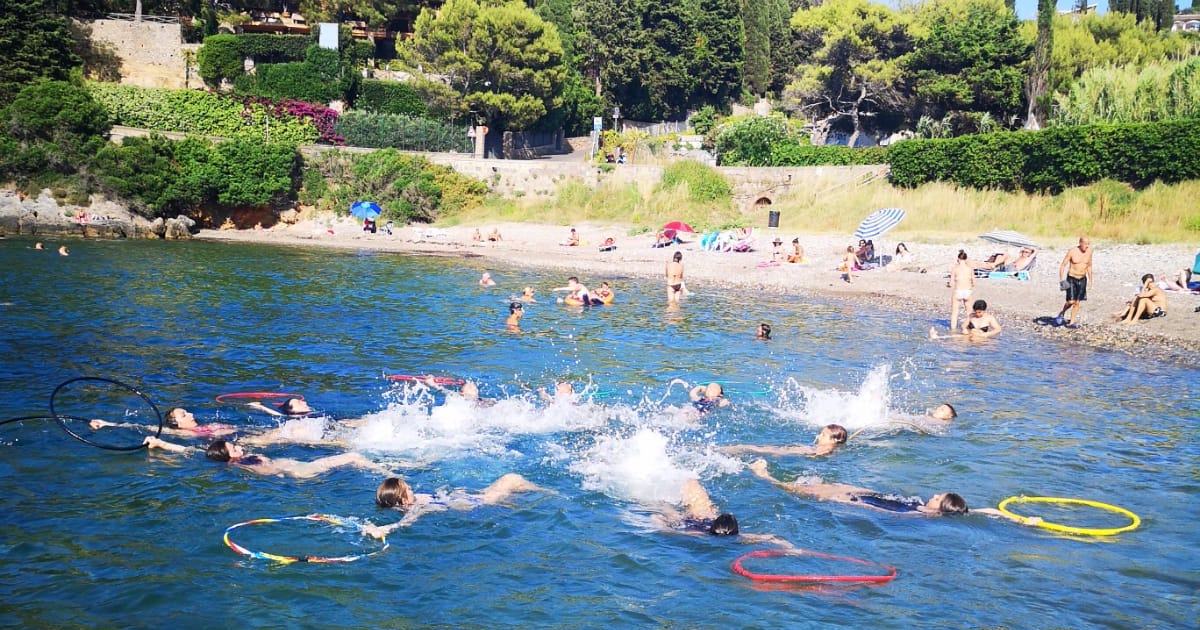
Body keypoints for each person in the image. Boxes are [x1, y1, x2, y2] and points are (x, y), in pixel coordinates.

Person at [747, 459, 1041, 524]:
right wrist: (1020, 518)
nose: (935, 493)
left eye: (938, 496)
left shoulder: (920, 515)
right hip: (866, 493)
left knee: (803, 491)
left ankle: (766, 477)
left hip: (858, 501)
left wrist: (854, 503)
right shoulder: (927, 510)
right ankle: (770, 477)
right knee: (812, 486)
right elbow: (980, 511)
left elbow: (879, 511)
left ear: (940, 507)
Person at [361, 474, 542, 538]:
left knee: (513, 484)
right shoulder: (416, 508)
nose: (410, 486)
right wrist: (386, 529)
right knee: (512, 479)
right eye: (406, 488)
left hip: (471, 498)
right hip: (476, 505)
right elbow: (407, 521)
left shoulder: (416, 500)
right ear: (403, 501)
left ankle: (540, 494)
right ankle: (548, 493)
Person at [142, 437, 389, 479]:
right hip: (301, 470)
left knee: (354, 458)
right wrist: (276, 467)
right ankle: (386, 473)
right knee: (354, 456)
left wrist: (161, 443)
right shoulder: (246, 465)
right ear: (229, 457)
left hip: (299, 469)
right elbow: (270, 473)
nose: (238, 446)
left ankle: (384, 470)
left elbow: (188, 451)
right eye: (233, 447)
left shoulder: (243, 459)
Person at [89, 406, 238, 439]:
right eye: (184, 414)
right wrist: (106, 423)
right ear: (177, 424)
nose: (191, 414)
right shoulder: (180, 432)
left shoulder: (207, 425)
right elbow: (140, 426)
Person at [721, 424, 848, 458]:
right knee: (761, 449)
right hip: (791, 451)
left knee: (756, 449)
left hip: (790, 453)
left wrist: (813, 456)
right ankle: (738, 448)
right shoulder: (831, 448)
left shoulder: (826, 449)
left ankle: (736, 448)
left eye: (823, 435)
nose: (819, 436)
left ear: (833, 440)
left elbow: (817, 455)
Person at [1056, 236, 1093, 327]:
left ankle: (1071, 322)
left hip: (1082, 278)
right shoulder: (1072, 251)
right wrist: (1061, 279)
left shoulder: (1090, 251)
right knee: (1071, 301)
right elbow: (1063, 265)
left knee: (1077, 302)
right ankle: (1062, 312)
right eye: (1085, 244)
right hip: (1072, 278)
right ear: (1080, 243)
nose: (1087, 246)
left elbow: (1089, 265)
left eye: (1088, 244)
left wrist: (1091, 279)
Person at [930, 300, 1002, 340]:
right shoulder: (971, 315)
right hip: (968, 336)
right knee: (954, 339)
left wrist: (986, 334)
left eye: (979, 312)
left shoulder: (989, 318)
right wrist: (964, 329)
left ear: (984, 310)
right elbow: (963, 325)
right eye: (976, 312)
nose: (977, 314)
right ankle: (937, 337)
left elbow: (998, 329)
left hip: (980, 338)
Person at [948, 250, 975, 333]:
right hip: (967, 291)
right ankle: (970, 329)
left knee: (955, 312)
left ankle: (953, 330)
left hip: (958, 291)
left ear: (958, 259)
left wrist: (948, 285)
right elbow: (974, 283)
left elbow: (951, 283)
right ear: (966, 259)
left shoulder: (955, 269)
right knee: (969, 312)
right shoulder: (970, 269)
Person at [246, 397, 313, 418]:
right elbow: (279, 415)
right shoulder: (295, 417)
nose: (305, 403)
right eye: (299, 403)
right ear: (292, 411)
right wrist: (260, 407)